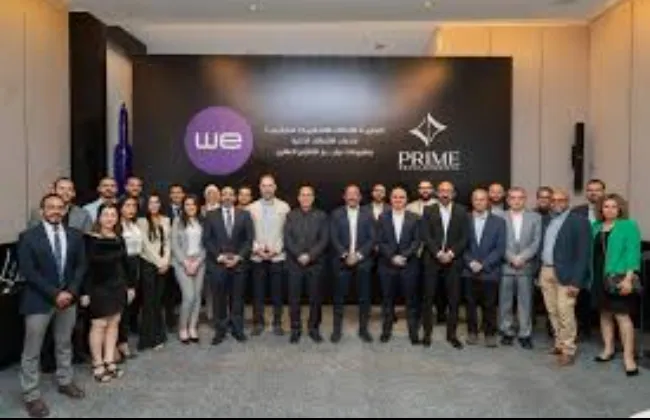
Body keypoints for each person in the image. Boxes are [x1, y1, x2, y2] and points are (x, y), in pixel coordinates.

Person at [17, 193, 86, 418]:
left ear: (65, 210)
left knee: (64, 343)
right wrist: (55, 293)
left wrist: (71, 292)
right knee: (32, 350)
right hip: (39, 300)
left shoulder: (75, 235)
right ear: (42, 211)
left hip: (68, 299)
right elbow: (29, 271)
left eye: (60, 207)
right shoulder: (28, 237)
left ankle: (65, 381)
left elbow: (80, 267)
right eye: (51, 207)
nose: (56, 211)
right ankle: (31, 395)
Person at [81, 204, 135, 383]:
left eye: (113, 215)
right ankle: (97, 364)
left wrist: (130, 286)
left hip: (117, 287)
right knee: (99, 325)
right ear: (99, 217)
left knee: (114, 323)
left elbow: (125, 264)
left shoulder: (119, 238)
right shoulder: (89, 239)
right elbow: (85, 268)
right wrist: (84, 292)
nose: (110, 218)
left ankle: (109, 360)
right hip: (97, 288)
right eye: (106, 215)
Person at [539, 188, 590, 367]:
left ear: (568, 202)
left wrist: (576, 281)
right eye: (553, 200)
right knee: (552, 310)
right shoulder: (547, 220)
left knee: (565, 311)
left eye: (561, 200)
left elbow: (583, 254)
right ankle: (559, 343)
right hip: (546, 270)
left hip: (567, 275)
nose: (556, 203)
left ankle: (568, 349)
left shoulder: (579, 221)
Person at [591, 194, 641, 376]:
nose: (610, 209)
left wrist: (628, 278)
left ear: (620, 209)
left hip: (618, 277)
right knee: (604, 313)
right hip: (598, 277)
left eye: (614, 206)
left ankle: (629, 358)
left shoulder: (628, 226)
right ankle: (608, 349)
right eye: (606, 206)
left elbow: (633, 252)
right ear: (601, 209)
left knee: (622, 316)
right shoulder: (596, 226)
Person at [202, 187, 253, 345]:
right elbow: (207, 239)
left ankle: (237, 329)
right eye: (224, 194)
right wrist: (219, 256)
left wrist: (239, 257)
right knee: (219, 300)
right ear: (220, 197)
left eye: (231, 194)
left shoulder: (244, 214)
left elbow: (249, 240)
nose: (228, 197)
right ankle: (220, 330)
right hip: (218, 265)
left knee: (237, 299)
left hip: (238, 265)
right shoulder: (210, 215)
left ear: (235, 197)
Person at [421, 181, 468, 349]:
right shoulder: (428, 210)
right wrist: (438, 253)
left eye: (448, 191)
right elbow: (425, 235)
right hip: (432, 260)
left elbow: (465, 237)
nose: (445, 194)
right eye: (441, 190)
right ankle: (427, 334)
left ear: (453, 194)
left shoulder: (462, 211)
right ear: (436, 193)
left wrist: (451, 254)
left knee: (453, 300)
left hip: (454, 261)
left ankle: (452, 335)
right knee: (428, 299)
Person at [330, 184, 376, 343]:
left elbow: (372, 238)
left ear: (360, 197)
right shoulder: (336, 214)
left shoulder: (368, 214)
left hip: (363, 262)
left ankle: (364, 330)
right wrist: (345, 255)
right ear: (344, 197)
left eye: (355, 194)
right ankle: (336, 330)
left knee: (364, 298)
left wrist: (358, 255)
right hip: (341, 262)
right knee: (339, 298)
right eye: (349, 194)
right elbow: (333, 237)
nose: (352, 197)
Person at [284, 186, 329, 344]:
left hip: (315, 264)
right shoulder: (291, 215)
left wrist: (310, 255)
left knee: (315, 298)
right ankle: (295, 329)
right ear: (298, 198)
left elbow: (324, 239)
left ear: (313, 197)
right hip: (294, 263)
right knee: (294, 298)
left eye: (309, 195)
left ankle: (313, 328)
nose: (306, 198)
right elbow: (287, 238)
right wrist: (298, 255)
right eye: (303, 195)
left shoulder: (322, 216)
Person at [376, 187, 421, 344]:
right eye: (395, 197)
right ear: (390, 199)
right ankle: (386, 330)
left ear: (406, 200)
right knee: (387, 300)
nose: (398, 200)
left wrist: (404, 256)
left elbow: (417, 241)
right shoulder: (382, 217)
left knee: (411, 301)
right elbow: (380, 240)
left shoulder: (415, 218)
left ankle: (413, 333)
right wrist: (392, 257)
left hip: (409, 265)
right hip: (387, 265)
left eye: (401, 197)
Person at [248, 175, 291, 336]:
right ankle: (258, 323)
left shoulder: (284, 207)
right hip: (257, 256)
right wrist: (257, 249)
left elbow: (286, 232)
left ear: (275, 187)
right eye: (264, 186)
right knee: (258, 293)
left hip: (277, 256)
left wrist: (276, 250)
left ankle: (277, 323)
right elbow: (248, 234)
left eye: (270, 185)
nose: (267, 189)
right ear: (260, 188)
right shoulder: (251, 208)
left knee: (277, 293)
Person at [463, 189, 506, 348]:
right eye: (476, 199)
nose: (479, 202)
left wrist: (484, 264)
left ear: (488, 201)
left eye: (482, 199)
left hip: (490, 271)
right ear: (472, 201)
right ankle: (472, 332)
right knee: (470, 304)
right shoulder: (464, 219)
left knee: (490, 304)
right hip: (469, 270)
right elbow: (460, 245)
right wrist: (470, 262)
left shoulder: (499, 222)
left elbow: (500, 248)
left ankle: (490, 334)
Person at [499, 187, 542, 349]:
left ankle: (525, 333)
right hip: (506, 265)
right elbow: (498, 241)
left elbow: (536, 241)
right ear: (508, 200)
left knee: (525, 302)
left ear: (525, 199)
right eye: (513, 198)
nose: (516, 201)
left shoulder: (535, 217)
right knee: (505, 301)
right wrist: (511, 258)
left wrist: (522, 257)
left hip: (526, 266)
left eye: (520, 197)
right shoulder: (499, 217)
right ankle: (507, 331)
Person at [572, 179, 607, 340]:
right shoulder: (577, 211)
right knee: (582, 295)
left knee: (602, 294)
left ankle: (605, 331)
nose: (593, 193)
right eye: (590, 190)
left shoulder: (610, 209)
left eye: (597, 190)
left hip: (602, 259)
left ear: (603, 192)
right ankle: (583, 328)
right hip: (581, 259)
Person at [137, 194, 171, 351]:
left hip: (163, 265)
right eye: (151, 202)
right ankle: (148, 339)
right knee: (149, 302)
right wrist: (159, 262)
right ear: (146, 205)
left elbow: (168, 242)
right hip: (148, 265)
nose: (154, 205)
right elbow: (145, 245)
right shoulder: (141, 221)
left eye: (157, 202)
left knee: (158, 301)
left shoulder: (166, 220)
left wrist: (166, 261)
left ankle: (159, 335)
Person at [171, 195, 206, 344]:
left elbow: (206, 244)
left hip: (199, 262)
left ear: (197, 206)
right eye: (187, 204)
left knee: (197, 296)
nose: (190, 207)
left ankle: (192, 327)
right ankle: (182, 328)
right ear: (183, 207)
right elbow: (174, 244)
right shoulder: (177, 221)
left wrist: (197, 262)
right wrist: (185, 262)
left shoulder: (202, 221)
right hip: (182, 262)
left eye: (193, 204)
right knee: (189, 296)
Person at [117, 197, 142, 360]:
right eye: (127, 205)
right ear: (120, 207)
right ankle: (121, 344)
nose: (131, 209)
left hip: (136, 265)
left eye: (133, 205)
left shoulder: (135, 224)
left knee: (129, 307)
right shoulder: (116, 226)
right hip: (122, 268)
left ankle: (122, 341)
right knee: (121, 309)